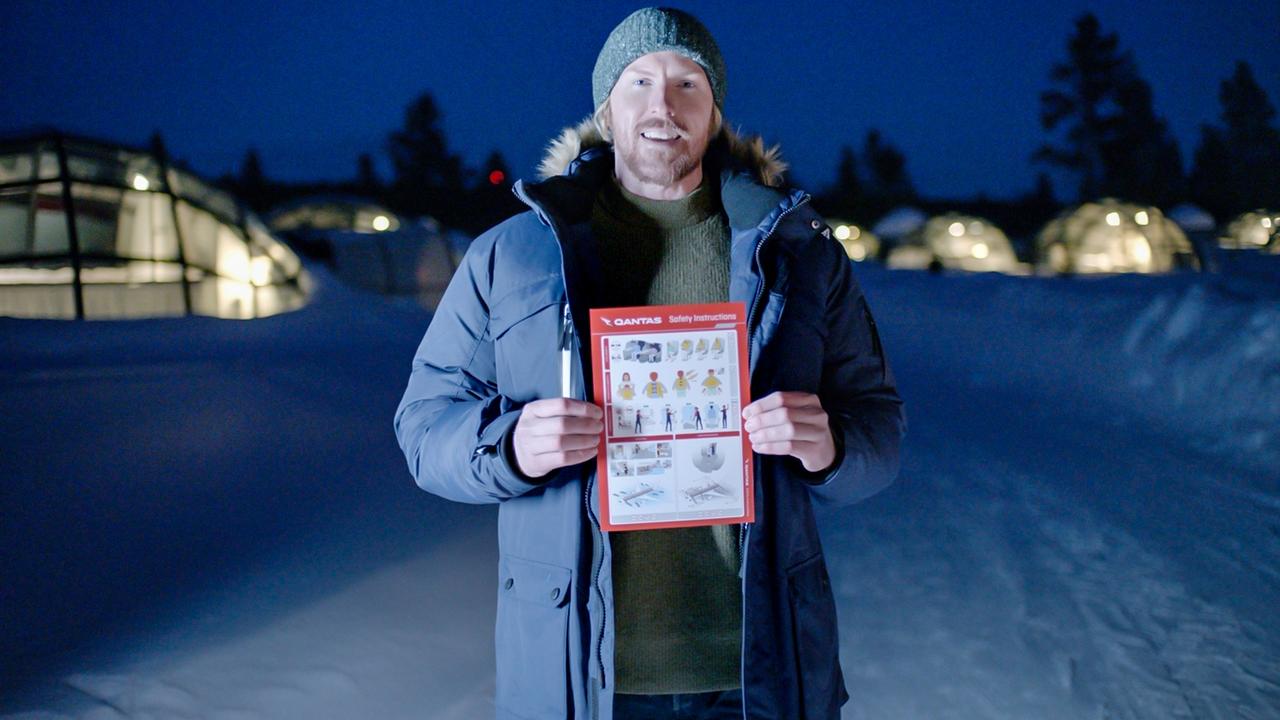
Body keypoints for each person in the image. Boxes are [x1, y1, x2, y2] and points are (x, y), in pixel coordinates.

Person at [394, 8, 904, 720]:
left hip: (756, 669)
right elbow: (424, 426)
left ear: (715, 110)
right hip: (584, 672)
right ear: (606, 108)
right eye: (639, 81)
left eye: (687, 83)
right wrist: (508, 445)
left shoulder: (797, 253)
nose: (663, 105)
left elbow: (879, 425)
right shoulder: (513, 256)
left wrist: (832, 446)